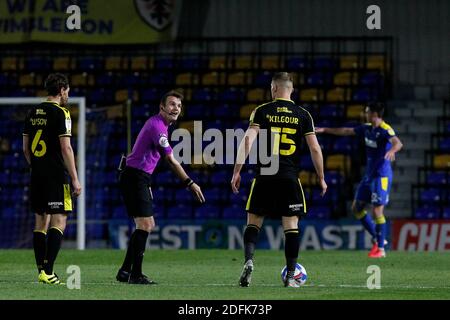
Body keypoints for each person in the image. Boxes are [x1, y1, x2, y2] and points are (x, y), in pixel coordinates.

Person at [231, 72, 327, 288]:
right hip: (289, 178)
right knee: (291, 225)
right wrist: (321, 177)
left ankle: (248, 261)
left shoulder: (262, 111)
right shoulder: (303, 114)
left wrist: (237, 171)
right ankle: (291, 273)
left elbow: (247, 141)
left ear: (274, 88)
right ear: (291, 89)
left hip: (264, 176)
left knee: (253, 221)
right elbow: (314, 148)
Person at [116, 90, 205, 285]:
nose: (176, 108)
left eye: (179, 106)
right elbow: (171, 160)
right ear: (162, 107)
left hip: (139, 177)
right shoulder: (156, 126)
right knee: (145, 225)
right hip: (134, 176)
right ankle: (135, 275)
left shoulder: (162, 126)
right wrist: (189, 183)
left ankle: (125, 271)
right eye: (172, 104)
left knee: (147, 225)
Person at [316, 102, 403, 258]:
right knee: (356, 208)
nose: (365, 113)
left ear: (375, 114)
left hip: (381, 175)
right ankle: (378, 238)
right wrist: (325, 130)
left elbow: (398, 142)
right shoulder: (367, 128)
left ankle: (381, 250)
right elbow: (347, 131)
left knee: (377, 210)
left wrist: (392, 150)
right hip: (369, 175)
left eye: (368, 111)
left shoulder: (385, 129)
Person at [23, 73, 82, 285]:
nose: (68, 94)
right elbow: (66, 147)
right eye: (68, 91)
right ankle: (48, 272)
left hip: (37, 174)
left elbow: (26, 148)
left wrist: (36, 167)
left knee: (40, 222)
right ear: (62, 90)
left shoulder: (32, 112)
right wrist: (75, 178)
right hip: (56, 175)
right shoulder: (62, 113)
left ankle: (41, 270)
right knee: (60, 220)